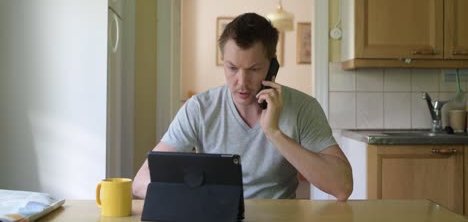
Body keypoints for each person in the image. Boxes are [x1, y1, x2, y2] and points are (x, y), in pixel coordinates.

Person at [132, 13, 353, 200]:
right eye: (232, 68)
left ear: (272, 66)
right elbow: (141, 182)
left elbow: (342, 187)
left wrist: (274, 133)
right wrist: (198, 200)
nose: (241, 81)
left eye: (254, 69)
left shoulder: (303, 108)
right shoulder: (199, 108)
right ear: (223, 61)